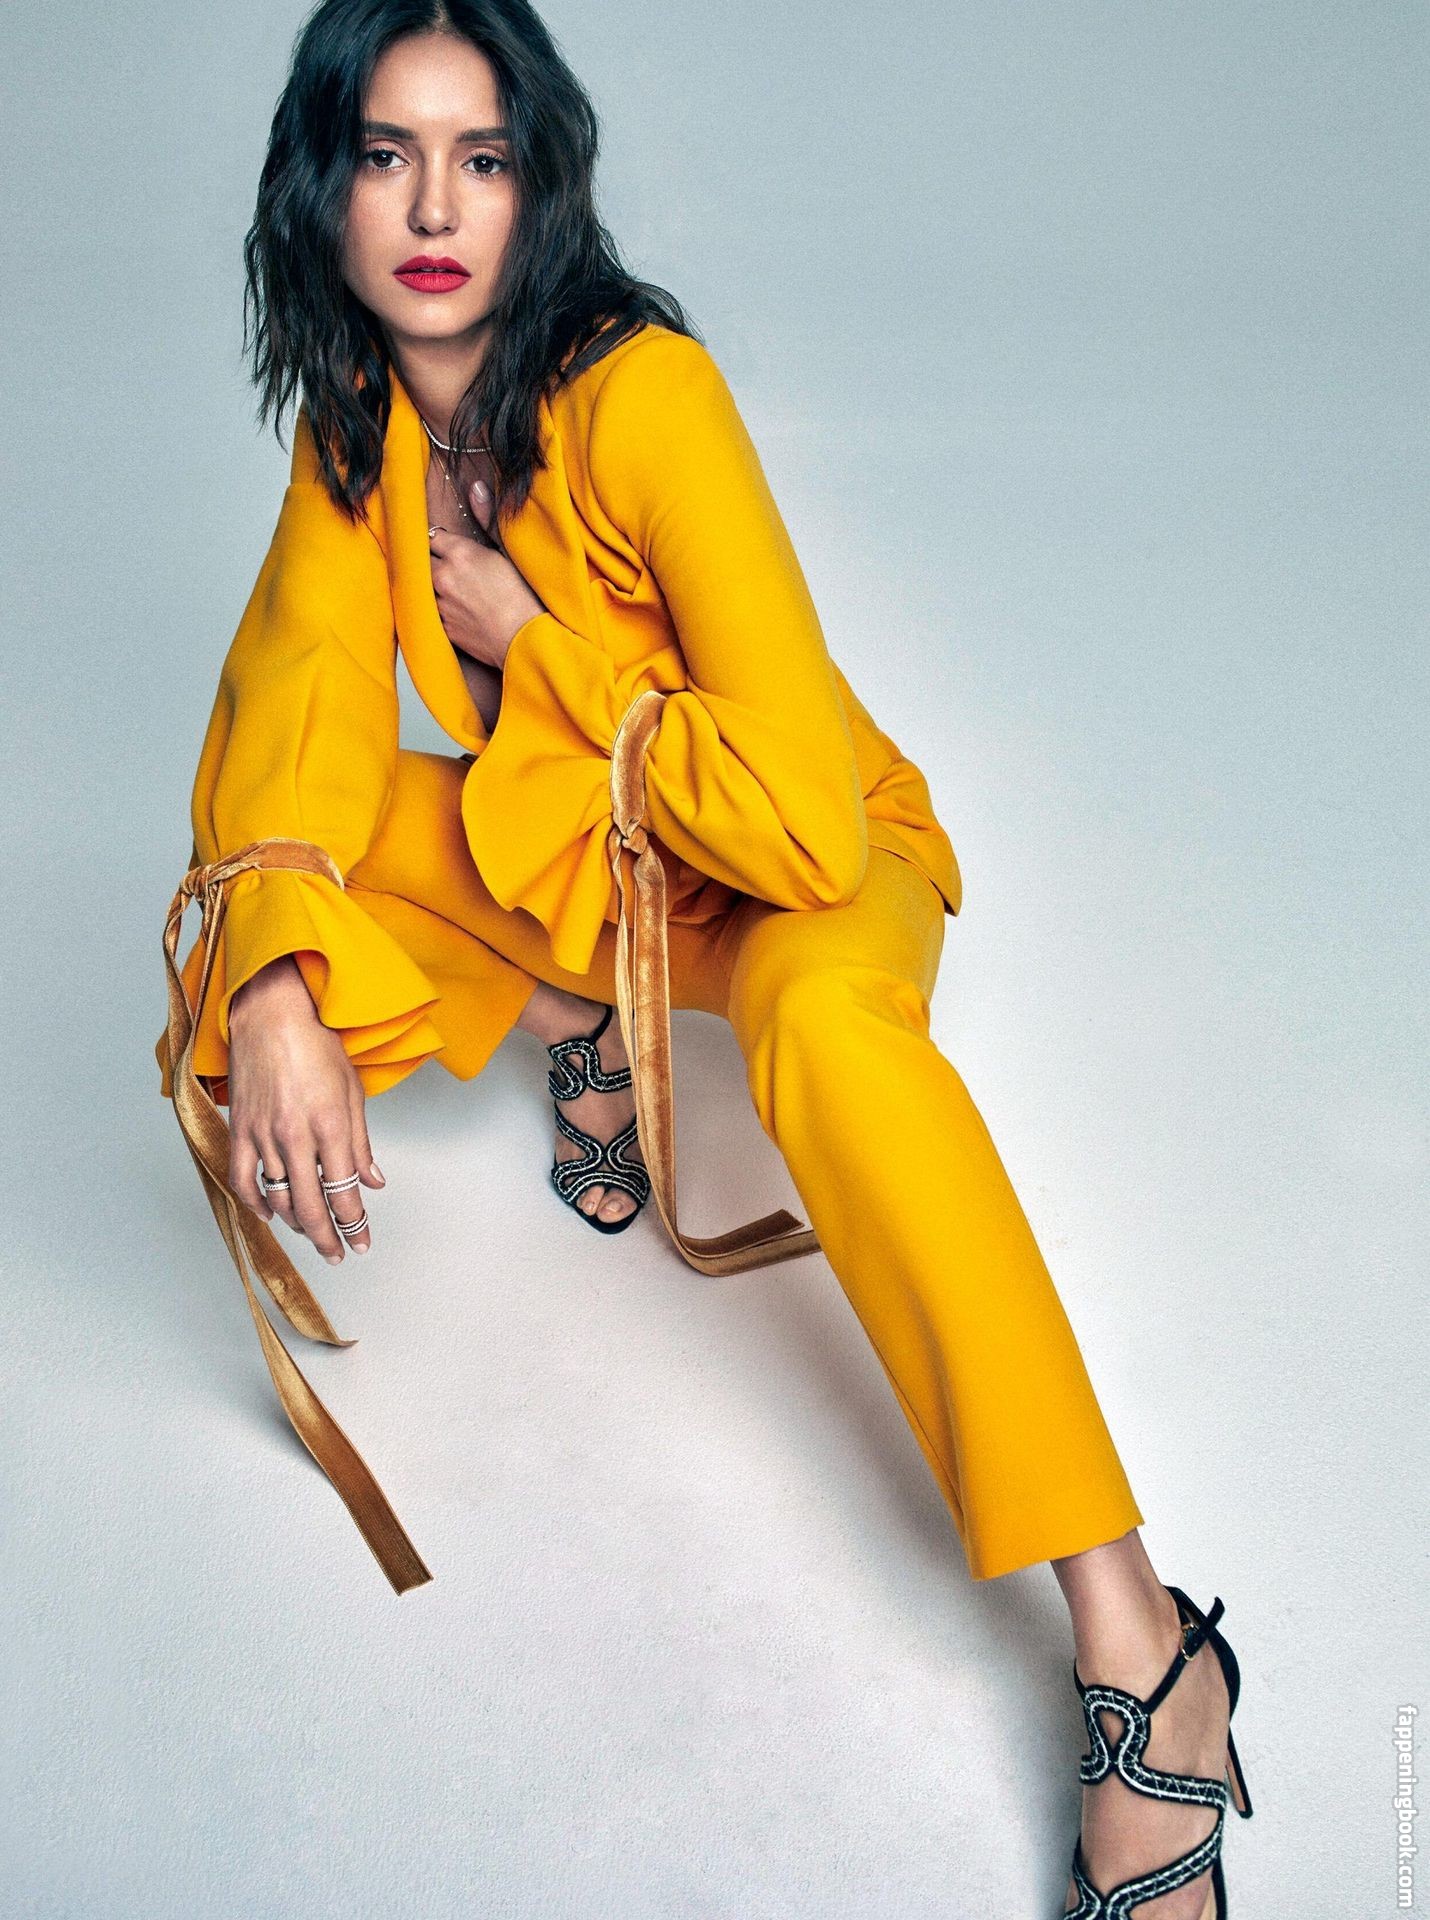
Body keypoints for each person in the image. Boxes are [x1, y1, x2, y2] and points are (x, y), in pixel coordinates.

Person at [155, 5, 1254, 1913]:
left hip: (803, 861)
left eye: (481, 158)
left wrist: (537, 641)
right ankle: (583, 1014)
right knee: (254, 907)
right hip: (617, 876)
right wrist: (267, 994)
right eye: (387, 156)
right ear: (321, 191)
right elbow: (290, 726)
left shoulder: (644, 391)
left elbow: (803, 822)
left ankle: (1139, 1638)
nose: (434, 209)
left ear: (538, 186)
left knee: (826, 1036)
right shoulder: (358, 437)